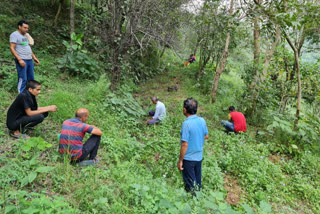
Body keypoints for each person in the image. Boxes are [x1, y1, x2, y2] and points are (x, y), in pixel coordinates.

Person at [177, 98, 208, 193]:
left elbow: (184, 144)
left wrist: (180, 160)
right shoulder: (202, 120)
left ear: (185, 110)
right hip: (199, 156)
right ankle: (198, 196)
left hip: (189, 158)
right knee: (197, 180)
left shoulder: (186, 124)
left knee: (190, 183)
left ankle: (193, 201)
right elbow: (206, 136)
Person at [10, 20, 40, 93]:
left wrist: (34, 57)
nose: (26, 29)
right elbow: (12, 48)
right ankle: (21, 95)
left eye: (27, 28)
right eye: (25, 27)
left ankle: (29, 94)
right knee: (23, 78)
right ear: (19, 27)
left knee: (31, 79)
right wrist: (19, 59)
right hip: (22, 60)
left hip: (29, 60)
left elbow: (28, 47)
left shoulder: (26, 35)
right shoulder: (14, 35)